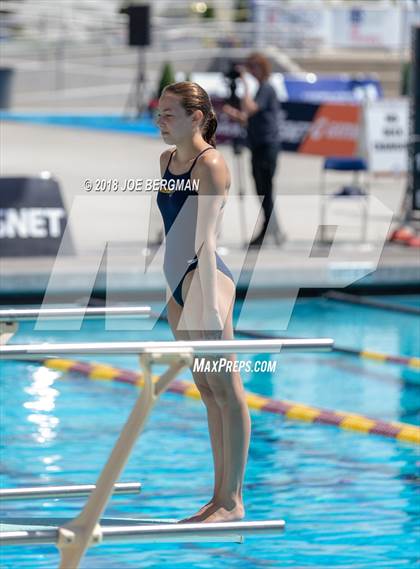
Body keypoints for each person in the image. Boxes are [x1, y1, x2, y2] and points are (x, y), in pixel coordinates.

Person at [155, 81, 251, 523]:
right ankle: (217, 498)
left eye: (169, 113)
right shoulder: (167, 160)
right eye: (159, 113)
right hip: (177, 282)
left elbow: (207, 241)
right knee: (207, 390)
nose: (161, 120)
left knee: (227, 390)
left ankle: (233, 501)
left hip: (205, 279)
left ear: (197, 117)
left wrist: (212, 305)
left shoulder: (210, 164)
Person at [223, 52, 285, 247]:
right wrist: (234, 114)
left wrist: (245, 84)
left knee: (265, 189)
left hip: (267, 145)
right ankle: (274, 228)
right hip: (257, 144)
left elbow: (250, 108)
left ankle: (268, 229)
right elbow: (248, 116)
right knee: (260, 189)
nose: (251, 71)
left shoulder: (266, 88)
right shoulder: (261, 90)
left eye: (254, 67)